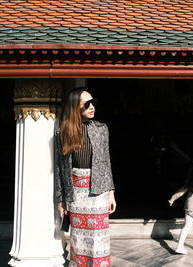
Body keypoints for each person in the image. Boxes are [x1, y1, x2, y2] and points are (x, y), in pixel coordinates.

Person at [54, 87, 116, 267]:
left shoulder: (101, 129)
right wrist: (60, 200)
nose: (92, 107)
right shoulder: (63, 130)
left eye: (93, 103)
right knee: (78, 238)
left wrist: (111, 192)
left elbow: (106, 162)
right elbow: (60, 167)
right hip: (75, 192)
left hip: (99, 190)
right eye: (86, 104)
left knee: (99, 238)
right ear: (75, 107)